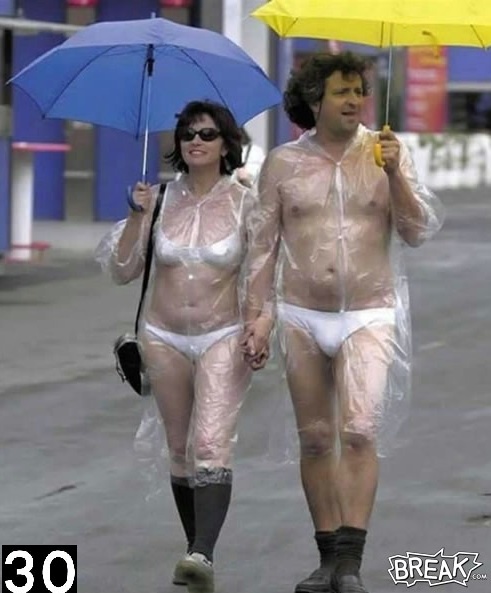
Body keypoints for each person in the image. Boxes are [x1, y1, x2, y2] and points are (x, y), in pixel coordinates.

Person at [242, 52, 444, 593]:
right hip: (301, 315)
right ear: (314, 100)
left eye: (359, 91)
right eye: (342, 92)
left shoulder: (384, 152)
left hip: (369, 313)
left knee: (358, 432)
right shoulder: (282, 164)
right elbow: (262, 247)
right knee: (314, 439)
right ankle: (328, 559)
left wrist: (395, 173)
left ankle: (351, 562)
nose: (355, 101)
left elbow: (416, 230)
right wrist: (257, 316)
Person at [96, 100, 256, 593]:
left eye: (207, 134)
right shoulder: (160, 198)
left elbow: (265, 274)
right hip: (162, 336)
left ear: (226, 144)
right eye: (187, 133)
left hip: (222, 334)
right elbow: (122, 270)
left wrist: (261, 324)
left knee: (211, 444)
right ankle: (195, 551)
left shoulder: (246, 203)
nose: (195, 141)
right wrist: (137, 216)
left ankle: (202, 552)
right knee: (181, 448)